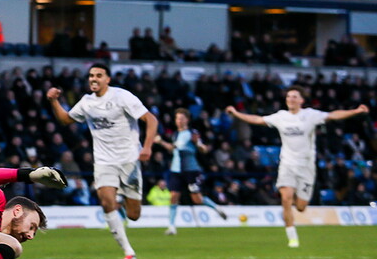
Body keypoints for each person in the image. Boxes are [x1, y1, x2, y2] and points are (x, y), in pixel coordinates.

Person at [225, 87, 369, 248]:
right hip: (287, 164)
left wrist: (355, 111)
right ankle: (292, 237)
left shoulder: (310, 115)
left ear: (301, 100)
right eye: (288, 96)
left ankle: (294, 201)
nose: (291, 99)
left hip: (306, 167)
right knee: (285, 198)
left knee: (300, 207)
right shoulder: (281, 117)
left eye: (294, 97)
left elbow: (333, 115)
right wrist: (236, 113)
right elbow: (257, 119)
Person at [47, 63, 159, 259]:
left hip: (129, 159)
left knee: (134, 215)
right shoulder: (87, 102)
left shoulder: (122, 96)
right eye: (91, 75)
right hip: (104, 161)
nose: (93, 79)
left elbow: (151, 119)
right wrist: (54, 101)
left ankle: (125, 199)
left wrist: (147, 147)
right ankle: (128, 251)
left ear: (108, 79)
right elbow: (65, 119)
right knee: (107, 202)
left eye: (99, 75)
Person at [154, 108, 227, 235]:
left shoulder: (192, 133)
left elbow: (202, 149)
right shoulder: (175, 134)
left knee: (197, 199)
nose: (179, 121)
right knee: (173, 196)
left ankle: (216, 207)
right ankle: (171, 226)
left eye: (181, 118)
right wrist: (163, 143)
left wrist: (198, 144)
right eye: (177, 118)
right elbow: (173, 149)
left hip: (191, 170)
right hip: (176, 170)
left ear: (187, 120)